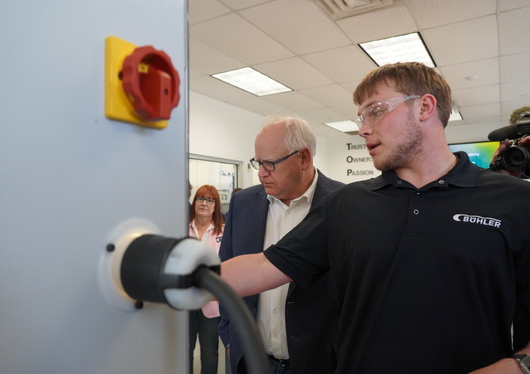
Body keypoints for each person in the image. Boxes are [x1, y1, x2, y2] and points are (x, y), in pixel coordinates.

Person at [220, 62, 530, 374]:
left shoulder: (515, 200)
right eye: (361, 116)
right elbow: (263, 267)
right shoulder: (346, 203)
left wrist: (517, 367)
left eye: (376, 110)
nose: (363, 128)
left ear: (424, 107)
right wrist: (184, 272)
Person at [218, 115, 344, 374]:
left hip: (317, 364)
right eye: (258, 162)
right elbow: (225, 271)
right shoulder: (243, 204)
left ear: (305, 158)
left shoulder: (344, 204)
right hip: (250, 361)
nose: (261, 173)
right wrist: (230, 337)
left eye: (270, 164)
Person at [188, 185, 225, 374]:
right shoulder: (181, 227)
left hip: (211, 302)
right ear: (194, 202)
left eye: (210, 200)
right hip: (184, 299)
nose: (204, 203)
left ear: (216, 206)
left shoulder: (223, 233)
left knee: (210, 351)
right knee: (184, 351)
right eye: (201, 198)